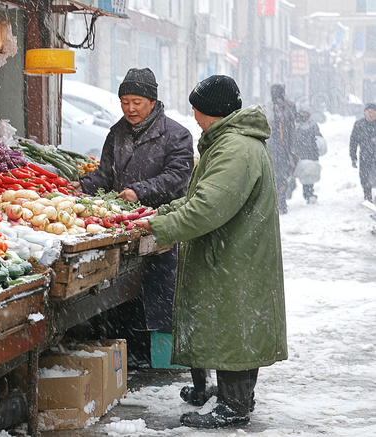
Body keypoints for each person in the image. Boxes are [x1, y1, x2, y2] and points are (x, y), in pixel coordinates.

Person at [133, 75, 288, 428]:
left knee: (232, 328)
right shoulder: (230, 142)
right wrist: (164, 213)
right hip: (237, 254)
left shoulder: (234, 149)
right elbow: (198, 197)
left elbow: (208, 207)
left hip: (234, 256)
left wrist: (162, 227)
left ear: (211, 111)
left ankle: (234, 407)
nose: (193, 113)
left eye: (196, 107)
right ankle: (237, 397)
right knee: (237, 328)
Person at [71, 67, 195, 367]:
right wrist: (83, 186)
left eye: (137, 101)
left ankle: (161, 356)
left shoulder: (176, 135)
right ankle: (130, 353)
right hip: (123, 226)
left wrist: (139, 192)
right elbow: (105, 174)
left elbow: (178, 176)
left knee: (159, 290)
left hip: (159, 224)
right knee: (124, 292)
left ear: (152, 101)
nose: (130, 108)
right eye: (125, 101)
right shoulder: (117, 132)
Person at [268, 84, 298, 214]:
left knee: (281, 174)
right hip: (275, 146)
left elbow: (293, 122)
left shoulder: (288, 106)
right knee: (278, 174)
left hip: (282, 147)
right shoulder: (270, 107)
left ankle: (281, 200)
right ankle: (279, 199)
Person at [294, 105, 324, 204]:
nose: (304, 115)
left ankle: (309, 193)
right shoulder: (295, 124)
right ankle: (306, 193)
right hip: (300, 153)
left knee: (310, 174)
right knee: (302, 173)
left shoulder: (313, 124)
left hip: (311, 153)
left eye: (306, 113)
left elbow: (318, 136)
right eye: (303, 112)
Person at [349, 103, 376, 202]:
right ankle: (367, 196)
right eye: (368, 112)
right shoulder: (359, 124)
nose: (370, 114)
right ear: (364, 113)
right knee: (364, 176)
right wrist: (353, 155)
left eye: (373, 112)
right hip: (365, 155)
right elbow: (353, 141)